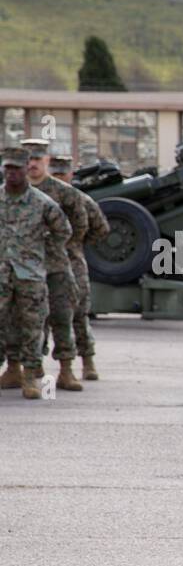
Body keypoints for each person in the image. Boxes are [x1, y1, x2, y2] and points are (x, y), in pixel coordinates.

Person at [0, 139, 86, 393]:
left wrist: (40, 252)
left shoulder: (42, 202)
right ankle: (11, 370)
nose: (11, 173)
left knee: (33, 326)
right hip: (3, 275)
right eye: (7, 168)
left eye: (16, 168)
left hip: (31, 275)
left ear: (26, 169)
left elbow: (65, 230)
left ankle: (30, 376)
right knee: (5, 325)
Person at [50, 155, 108, 381]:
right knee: (42, 318)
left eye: (62, 173)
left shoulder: (81, 200)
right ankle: (34, 367)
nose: (59, 178)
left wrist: (77, 244)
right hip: (46, 262)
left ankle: (88, 361)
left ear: (70, 175)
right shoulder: (40, 198)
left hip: (73, 263)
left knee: (79, 314)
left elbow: (101, 228)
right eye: (55, 174)